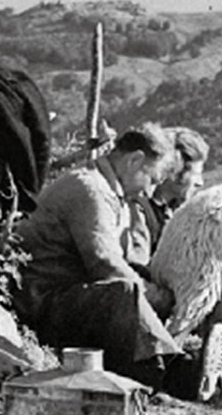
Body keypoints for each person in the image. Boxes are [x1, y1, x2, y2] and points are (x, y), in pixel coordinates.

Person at [12, 121, 182, 387]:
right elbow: (105, 264)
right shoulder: (89, 190)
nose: (150, 191)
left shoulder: (115, 196)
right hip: (44, 304)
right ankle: (169, 374)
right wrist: (158, 297)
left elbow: (128, 261)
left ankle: (168, 365)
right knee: (124, 292)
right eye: (152, 180)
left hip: (71, 296)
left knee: (134, 285)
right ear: (135, 160)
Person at [128, 126, 210, 271]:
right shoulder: (139, 212)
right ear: (174, 174)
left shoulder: (177, 213)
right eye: (196, 174)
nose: (200, 183)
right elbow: (138, 267)